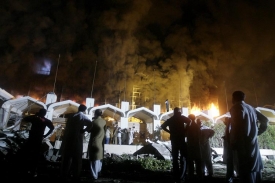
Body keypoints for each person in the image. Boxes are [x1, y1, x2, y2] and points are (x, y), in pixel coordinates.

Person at [229, 91, 268, 183]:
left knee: (245, 170)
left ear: (233, 98)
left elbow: (236, 127)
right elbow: (265, 120)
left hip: (242, 144)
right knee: (254, 168)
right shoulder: (251, 108)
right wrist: (258, 132)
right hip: (253, 143)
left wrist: (233, 142)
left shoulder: (236, 108)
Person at [59, 104, 92, 181]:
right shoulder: (82, 116)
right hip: (77, 139)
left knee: (66, 158)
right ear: (84, 110)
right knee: (77, 159)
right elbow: (90, 124)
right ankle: (76, 175)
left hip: (68, 139)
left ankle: (64, 174)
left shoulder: (71, 116)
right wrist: (83, 130)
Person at [19, 108, 54, 177]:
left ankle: (24, 169)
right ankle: (33, 170)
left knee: (27, 154)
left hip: (31, 138)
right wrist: (45, 135)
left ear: (39, 112)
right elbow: (52, 128)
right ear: (45, 114)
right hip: (39, 139)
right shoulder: (45, 120)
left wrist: (35, 115)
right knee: (35, 156)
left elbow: (25, 119)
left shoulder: (35, 118)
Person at [161, 107, 191, 183]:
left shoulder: (171, 119)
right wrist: (185, 130)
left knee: (175, 158)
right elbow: (189, 121)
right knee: (183, 158)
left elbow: (163, 126)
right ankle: (182, 175)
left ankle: (176, 175)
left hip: (174, 140)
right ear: (178, 112)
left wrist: (170, 131)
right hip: (181, 139)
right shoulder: (181, 118)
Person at [85, 109, 106, 180]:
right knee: (99, 158)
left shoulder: (93, 122)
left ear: (95, 114)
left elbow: (88, 130)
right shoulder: (104, 121)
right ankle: (99, 173)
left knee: (93, 159)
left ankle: (94, 175)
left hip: (94, 142)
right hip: (101, 142)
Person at [186, 114, 203, 182]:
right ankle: (198, 175)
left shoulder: (191, 126)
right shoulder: (196, 126)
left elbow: (190, 135)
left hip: (192, 146)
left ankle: (193, 176)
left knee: (192, 161)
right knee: (197, 161)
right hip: (195, 145)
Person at [222, 117, 239, 183]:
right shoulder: (229, 127)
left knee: (234, 161)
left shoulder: (232, 128)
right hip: (229, 148)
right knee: (230, 162)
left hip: (232, 148)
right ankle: (231, 175)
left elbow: (230, 136)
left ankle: (235, 174)